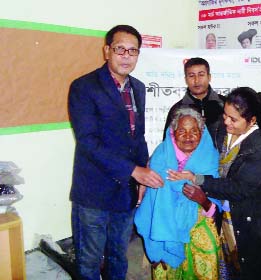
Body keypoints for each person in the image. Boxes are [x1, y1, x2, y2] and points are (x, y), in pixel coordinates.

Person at [68, 24, 163, 280]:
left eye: (133, 51)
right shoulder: (84, 87)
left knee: (118, 255)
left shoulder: (139, 88)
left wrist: (141, 176)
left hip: (126, 192)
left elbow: (138, 137)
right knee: (89, 259)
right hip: (94, 191)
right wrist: (135, 171)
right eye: (120, 49)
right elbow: (88, 141)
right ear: (107, 50)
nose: (126, 56)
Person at [168, 87, 261, 279]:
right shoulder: (220, 128)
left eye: (233, 119)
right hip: (225, 211)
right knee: (230, 264)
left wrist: (196, 178)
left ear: (252, 120)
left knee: (252, 267)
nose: (226, 122)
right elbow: (188, 142)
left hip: (252, 216)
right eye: (225, 115)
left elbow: (240, 189)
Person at [134, 107, 222, 279]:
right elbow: (151, 204)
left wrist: (203, 200)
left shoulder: (210, 156)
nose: (188, 136)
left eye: (194, 131)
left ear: (202, 132)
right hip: (163, 222)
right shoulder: (161, 155)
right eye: (182, 130)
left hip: (199, 219)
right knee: (164, 264)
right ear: (173, 133)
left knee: (206, 247)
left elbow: (215, 205)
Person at [162, 57, 225, 146]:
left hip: (220, 159)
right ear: (185, 79)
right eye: (191, 76)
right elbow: (168, 144)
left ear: (209, 77)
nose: (196, 80)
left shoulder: (225, 104)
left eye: (201, 75)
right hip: (188, 160)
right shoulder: (177, 109)